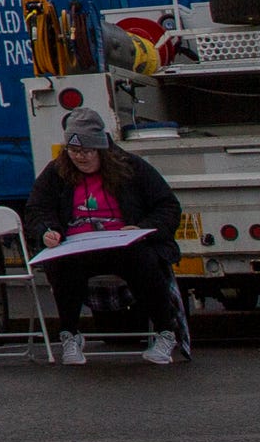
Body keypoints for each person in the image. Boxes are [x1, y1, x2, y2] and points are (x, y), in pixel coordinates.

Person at [21, 107, 185, 365]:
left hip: (124, 244)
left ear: (102, 150)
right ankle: (70, 334)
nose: (80, 158)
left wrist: (143, 228)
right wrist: (47, 231)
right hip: (77, 246)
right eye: (74, 152)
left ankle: (165, 332)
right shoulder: (57, 172)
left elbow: (167, 206)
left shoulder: (132, 168)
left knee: (144, 260)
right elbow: (37, 208)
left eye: (87, 152)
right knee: (60, 263)